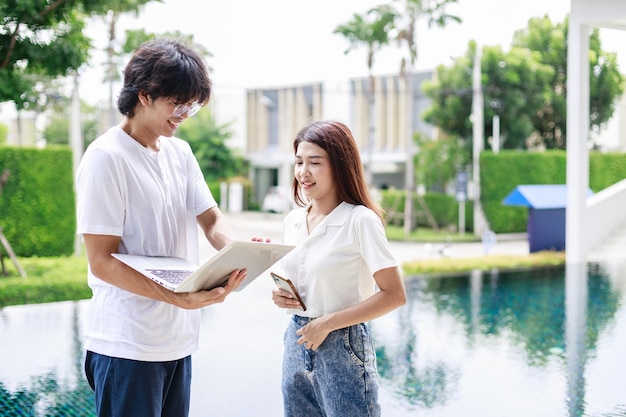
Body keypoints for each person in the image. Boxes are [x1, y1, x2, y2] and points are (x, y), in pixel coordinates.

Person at [75, 38, 250, 417]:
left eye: (191, 105)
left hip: (177, 341)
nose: (184, 113)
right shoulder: (106, 158)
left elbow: (212, 219)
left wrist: (241, 252)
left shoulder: (180, 153)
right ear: (145, 95)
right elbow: (101, 261)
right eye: (177, 103)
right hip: (127, 345)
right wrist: (177, 298)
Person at [271, 120, 407, 417]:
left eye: (315, 162)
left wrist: (327, 323)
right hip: (296, 339)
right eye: (299, 162)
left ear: (339, 166)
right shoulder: (292, 221)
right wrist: (282, 296)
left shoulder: (360, 220)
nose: (303, 172)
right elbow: (301, 281)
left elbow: (394, 295)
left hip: (343, 346)